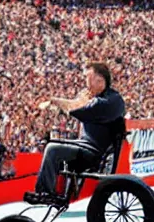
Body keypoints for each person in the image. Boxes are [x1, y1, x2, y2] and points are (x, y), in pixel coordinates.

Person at [24, 62, 125, 205]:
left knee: (53, 149)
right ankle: (56, 192)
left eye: (87, 79)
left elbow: (78, 108)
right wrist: (54, 100)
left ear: (100, 80)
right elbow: (77, 105)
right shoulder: (100, 99)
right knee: (53, 143)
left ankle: (46, 193)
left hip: (93, 153)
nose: (85, 84)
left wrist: (67, 102)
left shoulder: (111, 100)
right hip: (84, 147)